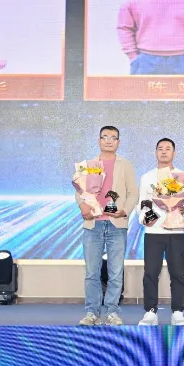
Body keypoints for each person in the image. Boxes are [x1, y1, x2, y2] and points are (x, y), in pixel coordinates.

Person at [77, 126, 138, 327]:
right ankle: (92, 313)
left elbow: (133, 193)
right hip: (92, 224)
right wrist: (82, 205)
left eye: (113, 137)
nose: (108, 141)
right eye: (104, 137)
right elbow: (79, 189)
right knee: (91, 272)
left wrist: (125, 210)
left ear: (118, 142)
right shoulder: (88, 165)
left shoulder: (126, 165)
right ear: (99, 140)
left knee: (115, 272)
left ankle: (112, 312)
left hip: (116, 224)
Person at [137, 138, 184, 327]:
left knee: (177, 273)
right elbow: (142, 202)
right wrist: (148, 218)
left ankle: (177, 312)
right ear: (155, 153)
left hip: (176, 231)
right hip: (153, 231)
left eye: (168, 148)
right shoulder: (147, 177)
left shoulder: (182, 176)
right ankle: (150, 312)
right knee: (150, 273)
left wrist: (183, 210)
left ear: (174, 153)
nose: (164, 152)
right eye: (160, 148)